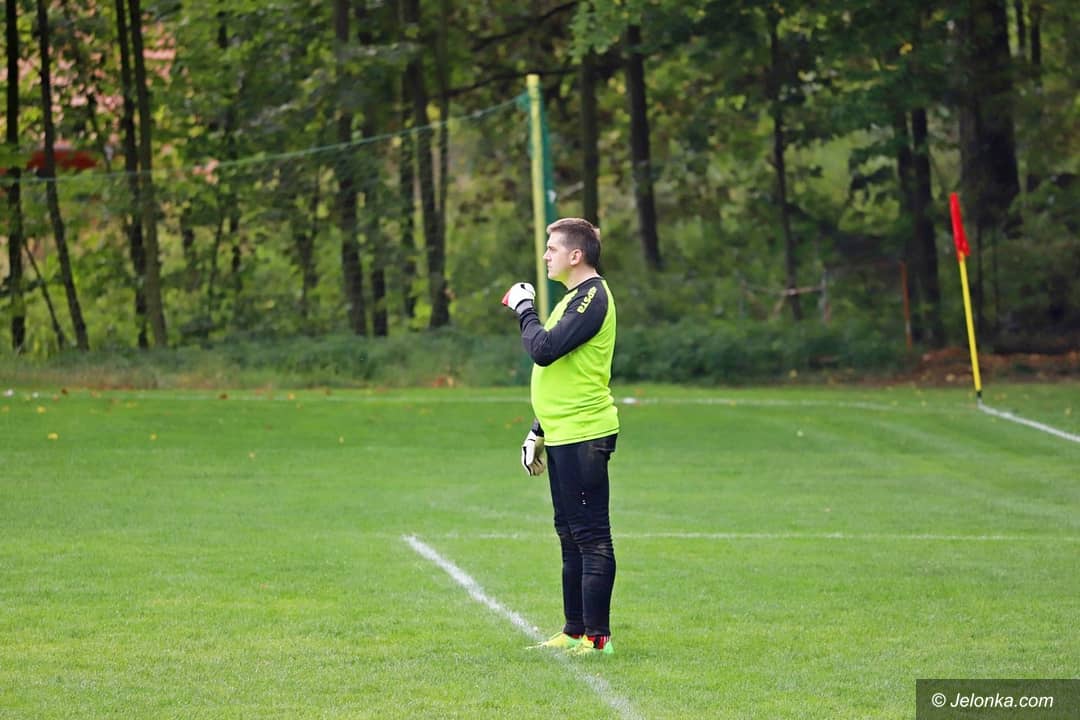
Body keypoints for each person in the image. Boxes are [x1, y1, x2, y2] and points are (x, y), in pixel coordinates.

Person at [501, 217, 619, 656]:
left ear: (576, 255)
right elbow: (564, 373)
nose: (546, 255)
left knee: (591, 537)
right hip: (563, 433)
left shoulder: (592, 296)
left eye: (552, 249)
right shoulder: (573, 298)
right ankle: (574, 631)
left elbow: (544, 350)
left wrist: (524, 308)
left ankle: (598, 639)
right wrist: (539, 429)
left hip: (585, 434)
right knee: (569, 535)